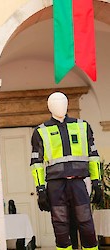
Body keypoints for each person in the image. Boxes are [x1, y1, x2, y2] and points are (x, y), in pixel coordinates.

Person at [30, 92, 102, 250]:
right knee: (60, 225)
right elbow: (36, 163)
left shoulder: (82, 126)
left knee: (86, 223)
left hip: (79, 182)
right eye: (55, 103)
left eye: (62, 102)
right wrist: (41, 189)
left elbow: (94, 156)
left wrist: (97, 182)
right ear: (49, 107)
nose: (59, 105)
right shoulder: (40, 131)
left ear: (68, 104)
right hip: (56, 186)